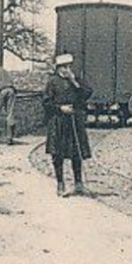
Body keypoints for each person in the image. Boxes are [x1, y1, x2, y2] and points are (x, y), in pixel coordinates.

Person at [42, 53, 92, 196]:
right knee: (57, 154)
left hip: (74, 120)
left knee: (76, 151)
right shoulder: (52, 82)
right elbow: (46, 102)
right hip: (58, 121)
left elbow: (87, 94)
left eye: (69, 66)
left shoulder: (76, 80)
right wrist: (60, 108)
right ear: (58, 68)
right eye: (63, 67)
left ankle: (78, 183)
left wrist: (75, 82)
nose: (66, 69)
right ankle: (60, 183)